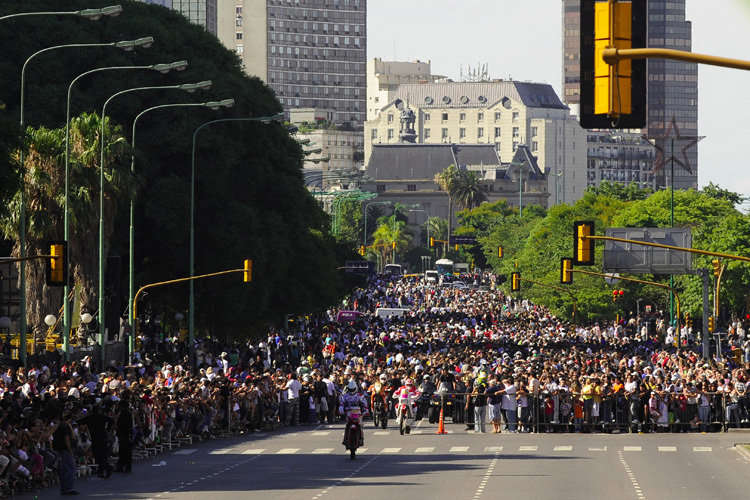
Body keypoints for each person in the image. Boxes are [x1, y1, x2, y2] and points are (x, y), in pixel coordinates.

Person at [78, 405, 113, 479]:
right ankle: (106, 468)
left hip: (94, 437)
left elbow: (79, 421)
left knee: (97, 454)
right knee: (102, 454)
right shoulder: (102, 416)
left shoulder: (90, 417)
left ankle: (102, 470)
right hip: (102, 436)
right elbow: (111, 420)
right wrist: (108, 429)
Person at [53, 410, 78, 495]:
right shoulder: (66, 427)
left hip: (59, 450)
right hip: (66, 450)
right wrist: (70, 449)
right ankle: (70, 487)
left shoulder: (58, 426)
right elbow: (69, 438)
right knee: (71, 469)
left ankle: (63, 488)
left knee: (63, 470)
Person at [339, 380, 367, 446]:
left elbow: (365, 405)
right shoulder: (344, 396)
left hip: (358, 412)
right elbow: (341, 404)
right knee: (347, 424)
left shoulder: (360, 396)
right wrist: (341, 410)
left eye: (353, 389)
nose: (351, 391)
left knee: (360, 424)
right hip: (349, 412)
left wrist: (366, 411)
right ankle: (345, 438)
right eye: (350, 389)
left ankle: (361, 437)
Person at [114, 399, 133, 473]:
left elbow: (128, 425)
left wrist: (128, 435)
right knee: (123, 451)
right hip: (123, 434)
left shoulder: (126, 414)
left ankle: (126, 467)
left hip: (125, 435)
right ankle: (121, 466)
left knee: (126, 451)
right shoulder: (124, 413)